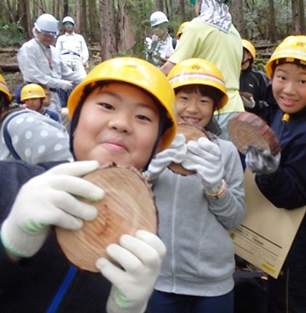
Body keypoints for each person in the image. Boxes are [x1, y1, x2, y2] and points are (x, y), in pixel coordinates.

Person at [0, 57, 178, 312]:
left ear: (157, 144)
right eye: (106, 105)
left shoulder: (140, 241)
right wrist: (8, 244)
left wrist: (132, 309)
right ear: (76, 117)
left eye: (143, 117)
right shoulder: (9, 181)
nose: (122, 123)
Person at [244, 35, 306, 313]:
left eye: (302, 81)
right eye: (282, 77)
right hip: (281, 231)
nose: (289, 89)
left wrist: (269, 172)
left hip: (303, 237)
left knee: (295, 302)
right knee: (280, 296)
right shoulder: (284, 112)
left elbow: (295, 194)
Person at [146, 58, 245, 313]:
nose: (193, 108)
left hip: (213, 283)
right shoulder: (149, 148)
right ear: (170, 102)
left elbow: (234, 219)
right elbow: (127, 208)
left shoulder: (225, 152)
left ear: (214, 108)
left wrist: (216, 187)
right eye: (184, 98)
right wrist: (148, 176)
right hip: (158, 279)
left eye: (204, 101)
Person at [160, 0, 244, 140]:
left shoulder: (196, 27)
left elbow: (169, 69)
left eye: (197, 1)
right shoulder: (234, 33)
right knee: (231, 162)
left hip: (211, 110)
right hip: (236, 108)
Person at [17, 13, 84, 116]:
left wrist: (86, 78)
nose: (49, 38)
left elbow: (66, 72)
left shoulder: (55, 51)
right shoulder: (28, 49)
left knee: (57, 121)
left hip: (55, 97)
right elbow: (32, 75)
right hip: (36, 98)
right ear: (37, 31)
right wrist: (59, 83)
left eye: (52, 35)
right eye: (46, 35)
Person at [0, 75, 71, 163]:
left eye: (34, 99)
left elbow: (70, 163)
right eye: (27, 100)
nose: (31, 103)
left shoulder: (22, 124)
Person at [56, 16, 89, 107]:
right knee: (64, 79)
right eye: (66, 24)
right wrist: (58, 62)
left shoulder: (79, 37)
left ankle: (82, 99)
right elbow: (57, 51)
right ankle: (64, 101)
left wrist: (84, 60)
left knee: (83, 78)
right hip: (65, 58)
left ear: (73, 25)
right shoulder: (61, 38)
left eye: (70, 24)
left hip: (77, 58)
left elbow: (84, 50)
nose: (68, 26)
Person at [239, 39, 269, 120]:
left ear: (249, 55)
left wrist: (255, 105)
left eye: (240, 51)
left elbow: (269, 104)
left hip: (254, 124)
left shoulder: (259, 77)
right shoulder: (231, 75)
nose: (237, 53)